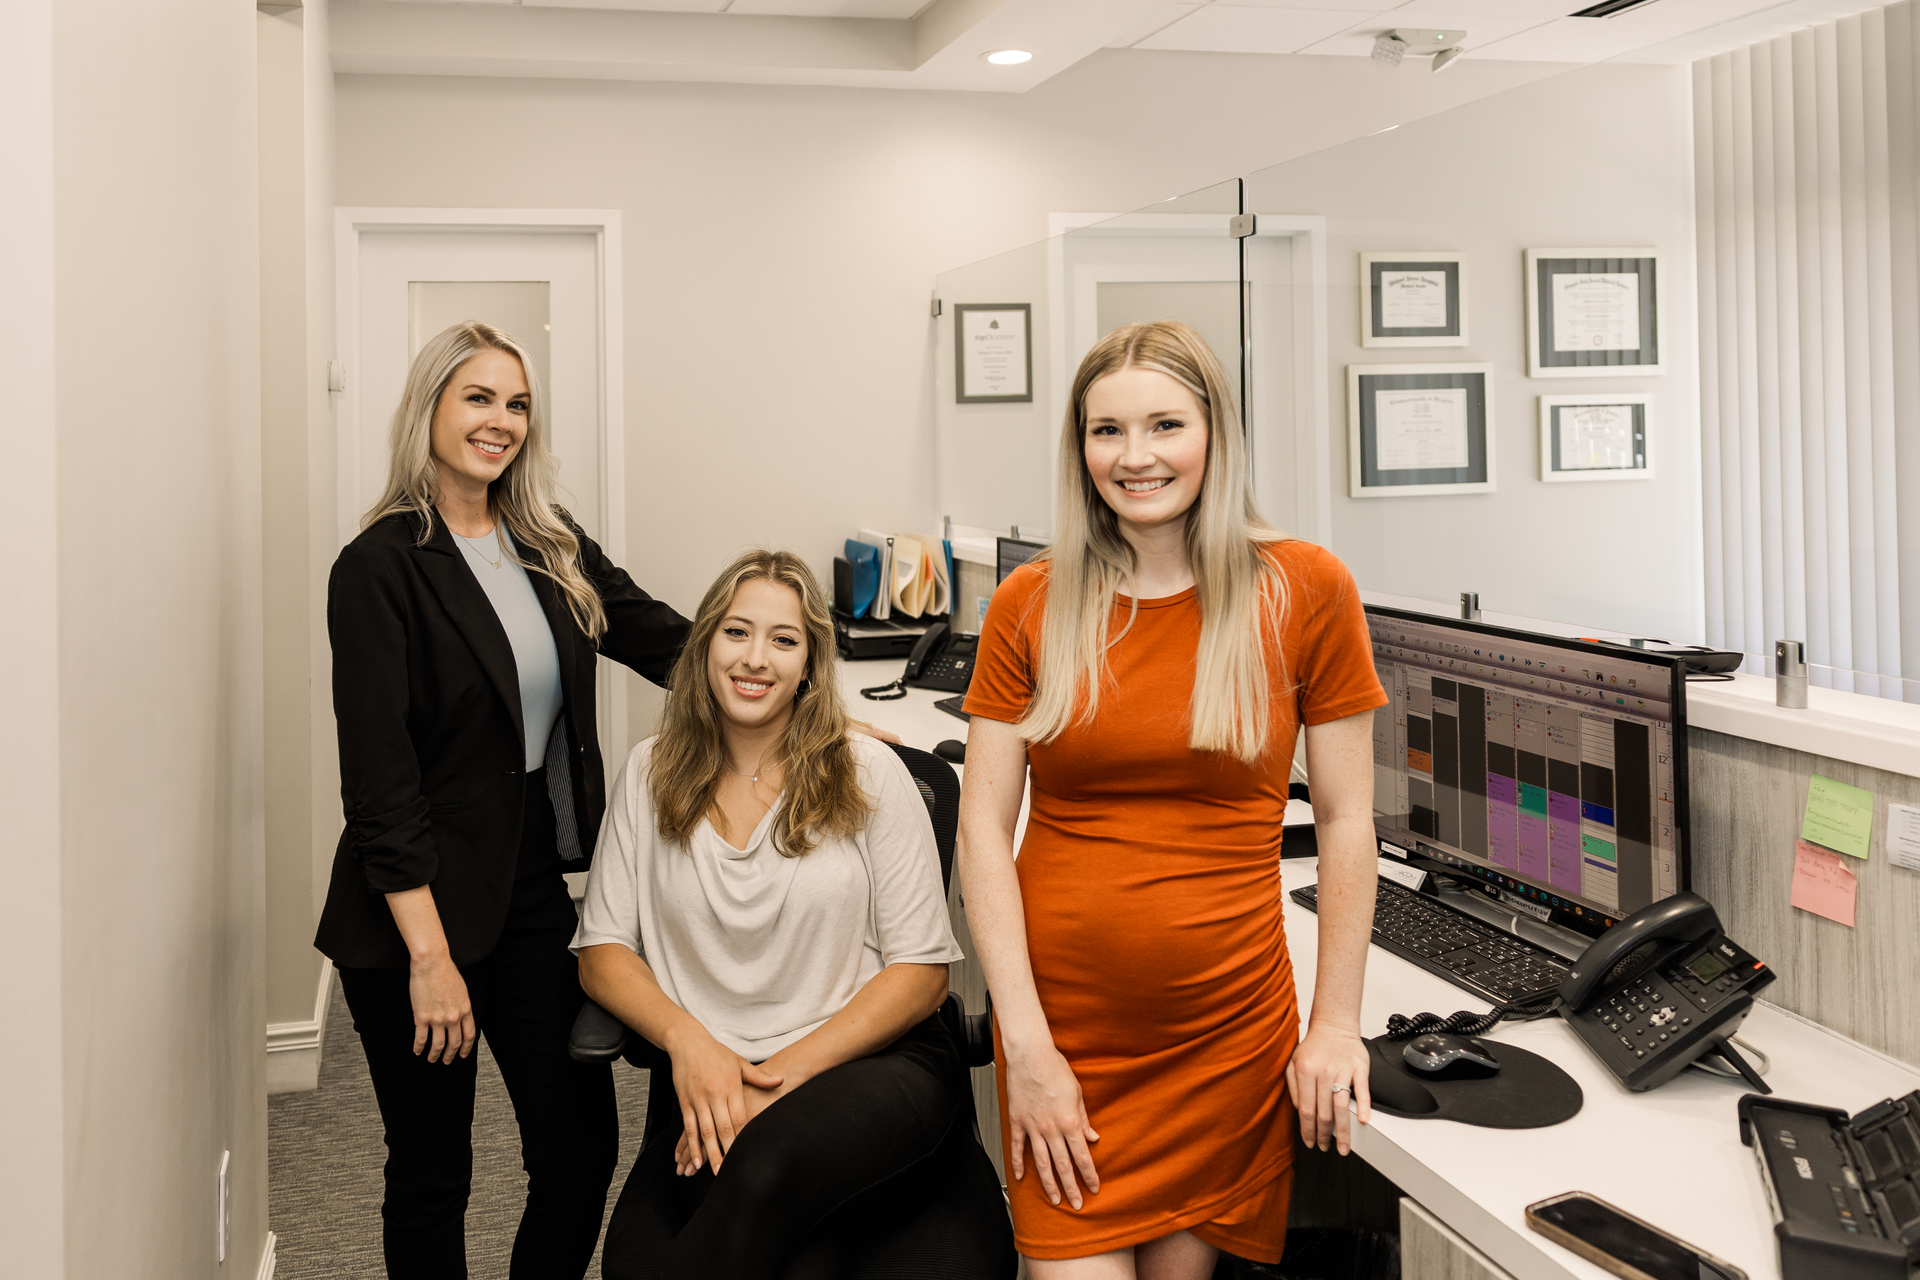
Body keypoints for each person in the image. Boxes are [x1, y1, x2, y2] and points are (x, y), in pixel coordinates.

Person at [957, 320, 1389, 1277]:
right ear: (1080, 449)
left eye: (1164, 424)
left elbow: (1351, 821)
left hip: (1222, 1035)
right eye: (1107, 431)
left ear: (1214, 434)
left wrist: (1334, 1025)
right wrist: (1023, 1046)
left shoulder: (1306, 590)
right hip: (1063, 1036)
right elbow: (982, 833)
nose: (1136, 456)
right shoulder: (1030, 600)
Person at [316, 321, 692, 1278]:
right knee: (435, 1168)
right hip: (412, 907)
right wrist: (429, 959)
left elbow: (665, 641)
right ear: (430, 409)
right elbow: (379, 785)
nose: (501, 421)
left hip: (529, 886)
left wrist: (817, 704)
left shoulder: (548, 543)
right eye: (478, 398)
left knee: (577, 1149)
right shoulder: (379, 567)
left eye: (517, 403)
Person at [575, 549, 1016, 1280]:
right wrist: (688, 1041)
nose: (756, 658)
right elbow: (603, 953)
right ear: (704, 645)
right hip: (716, 1075)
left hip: (879, 1071)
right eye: (736, 632)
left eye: (784, 640)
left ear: (811, 664)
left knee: (766, 1160)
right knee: (797, 1256)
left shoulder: (868, 773)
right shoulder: (650, 773)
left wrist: (768, 1081)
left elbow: (920, 977)